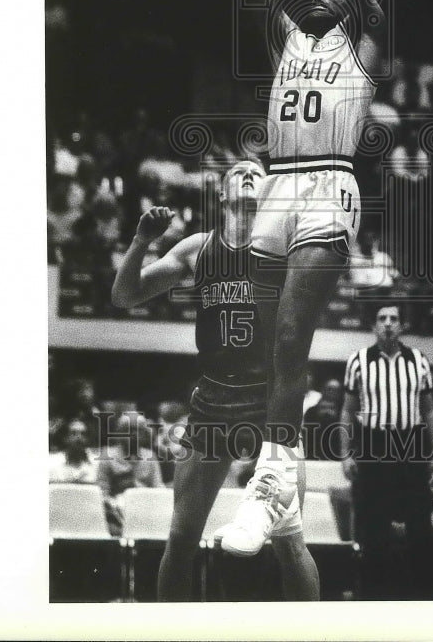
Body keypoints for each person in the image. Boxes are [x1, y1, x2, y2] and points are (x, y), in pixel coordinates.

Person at [220, 0, 388, 556]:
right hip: (276, 189)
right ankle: (280, 490)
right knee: (264, 348)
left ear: (355, 5)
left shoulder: (366, 42)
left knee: (291, 335)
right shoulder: (288, 40)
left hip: (326, 184)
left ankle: (269, 482)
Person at [111, 159, 320, 601]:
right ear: (223, 195)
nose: (248, 173)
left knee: (288, 540)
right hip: (214, 399)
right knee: (181, 538)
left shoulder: (286, 248)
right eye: (238, 172)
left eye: (257, 173)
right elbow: (124, 295)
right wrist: (140, 242)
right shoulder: (198, 248)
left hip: (272, 403)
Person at [338, 305, 433, 600]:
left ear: (402, 326)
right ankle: (372, 601)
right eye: (381, 319)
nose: (387, 324)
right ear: (373, 326)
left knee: (420, 527)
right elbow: (346, 411)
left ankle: (422, 600)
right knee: (373, 532)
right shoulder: (358, 361)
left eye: (393, 319)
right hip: (373, 446)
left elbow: (429, 412)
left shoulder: (418, 360)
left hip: (410, 445)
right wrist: (346, 454)